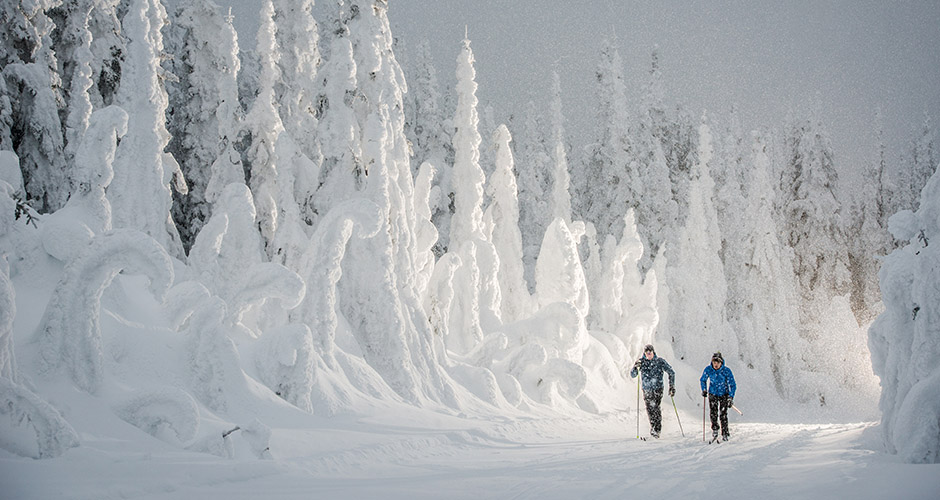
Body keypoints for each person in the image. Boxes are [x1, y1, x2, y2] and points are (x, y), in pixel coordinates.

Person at [630, 344, 676, 438]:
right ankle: (653, 427)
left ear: (653, 352)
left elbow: (671, 372)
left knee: (655, 407)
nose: (649, 355)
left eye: (650, 353)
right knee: (649, 409)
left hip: (658, 388)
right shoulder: (641, 362)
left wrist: (672, 386)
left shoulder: (659, 361)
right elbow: (633, 375)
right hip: (647, 389)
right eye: (647, 353)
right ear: (645, 353)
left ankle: (657, 429)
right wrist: (635, 367)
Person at [700, 351, 736, 441]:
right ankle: (715, 429)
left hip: (724, 394)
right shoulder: (708, 369)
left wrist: (731, 397)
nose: (715, 364)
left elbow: (732, 384)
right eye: (714, 362)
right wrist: (704, 389)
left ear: (721, 362)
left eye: (717, 362)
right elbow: (702, 380)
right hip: (713, 393)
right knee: (713, 413)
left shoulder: (726, 371)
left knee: (723, 414)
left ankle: (725, 432)